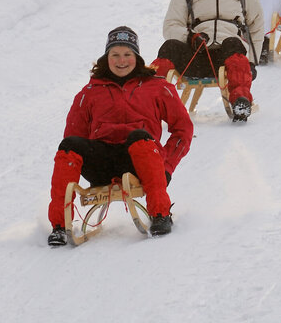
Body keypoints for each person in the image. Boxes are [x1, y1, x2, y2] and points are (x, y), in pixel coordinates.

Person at [47, 26, 194, 246]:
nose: (121, 60)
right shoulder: (89, 92)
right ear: (106, 58)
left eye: (127, 54)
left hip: (141, 162)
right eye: (115, 55)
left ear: (137, 57)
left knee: (139, 137)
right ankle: (59, 226)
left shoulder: (157, 87)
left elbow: (183, 129)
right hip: (102, 162)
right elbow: (73, 135)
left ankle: (160, 214)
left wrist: (166, 166)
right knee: (69, 145)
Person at [151, 0, 264, 122]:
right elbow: (170, 25)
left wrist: (251, 61)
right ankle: (149, 101)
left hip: (227, 59)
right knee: (169, 46)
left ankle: (240, 101)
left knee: (233, 43)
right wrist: (190, 37)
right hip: (196, 54)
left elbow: (256, 24)